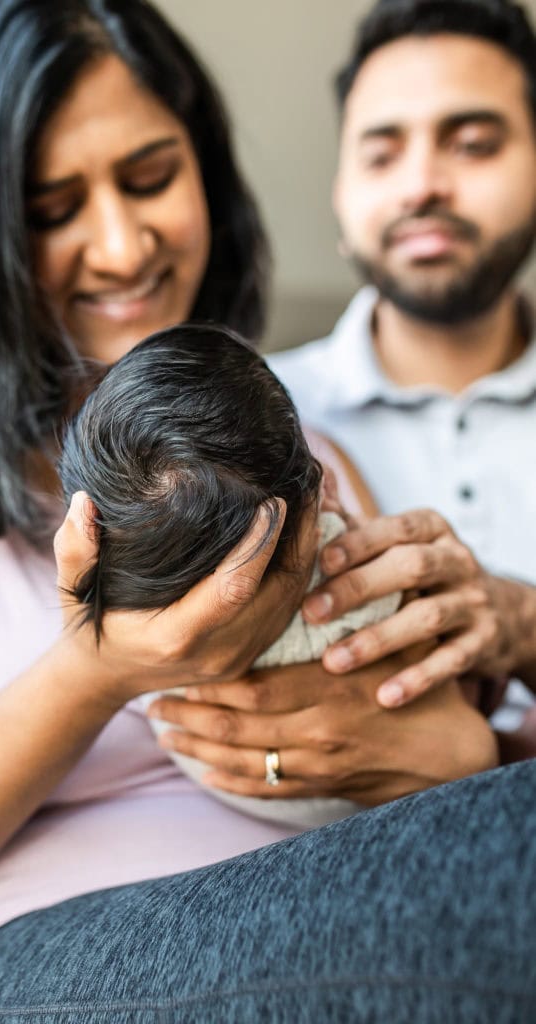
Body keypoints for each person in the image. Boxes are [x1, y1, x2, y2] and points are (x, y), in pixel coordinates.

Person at [0, 1, 531, 1019]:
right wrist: (98, 672)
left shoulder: (301, 452)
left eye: (150, 179)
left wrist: (457, 756)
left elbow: (412, 733)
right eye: (51, 208)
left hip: (322, 916)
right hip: (0, 969)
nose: (124, 247)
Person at [267, 0, 536, 736]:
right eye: (381, 155)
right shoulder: (256, 417)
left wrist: (525, 626)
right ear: (341, 193)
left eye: (474, 144)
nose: (421, 186)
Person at [59, 322, 405, 830]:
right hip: (343, 801)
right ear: (315, 496)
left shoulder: (125, 624)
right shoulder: (347, 574)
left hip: (220, 777)